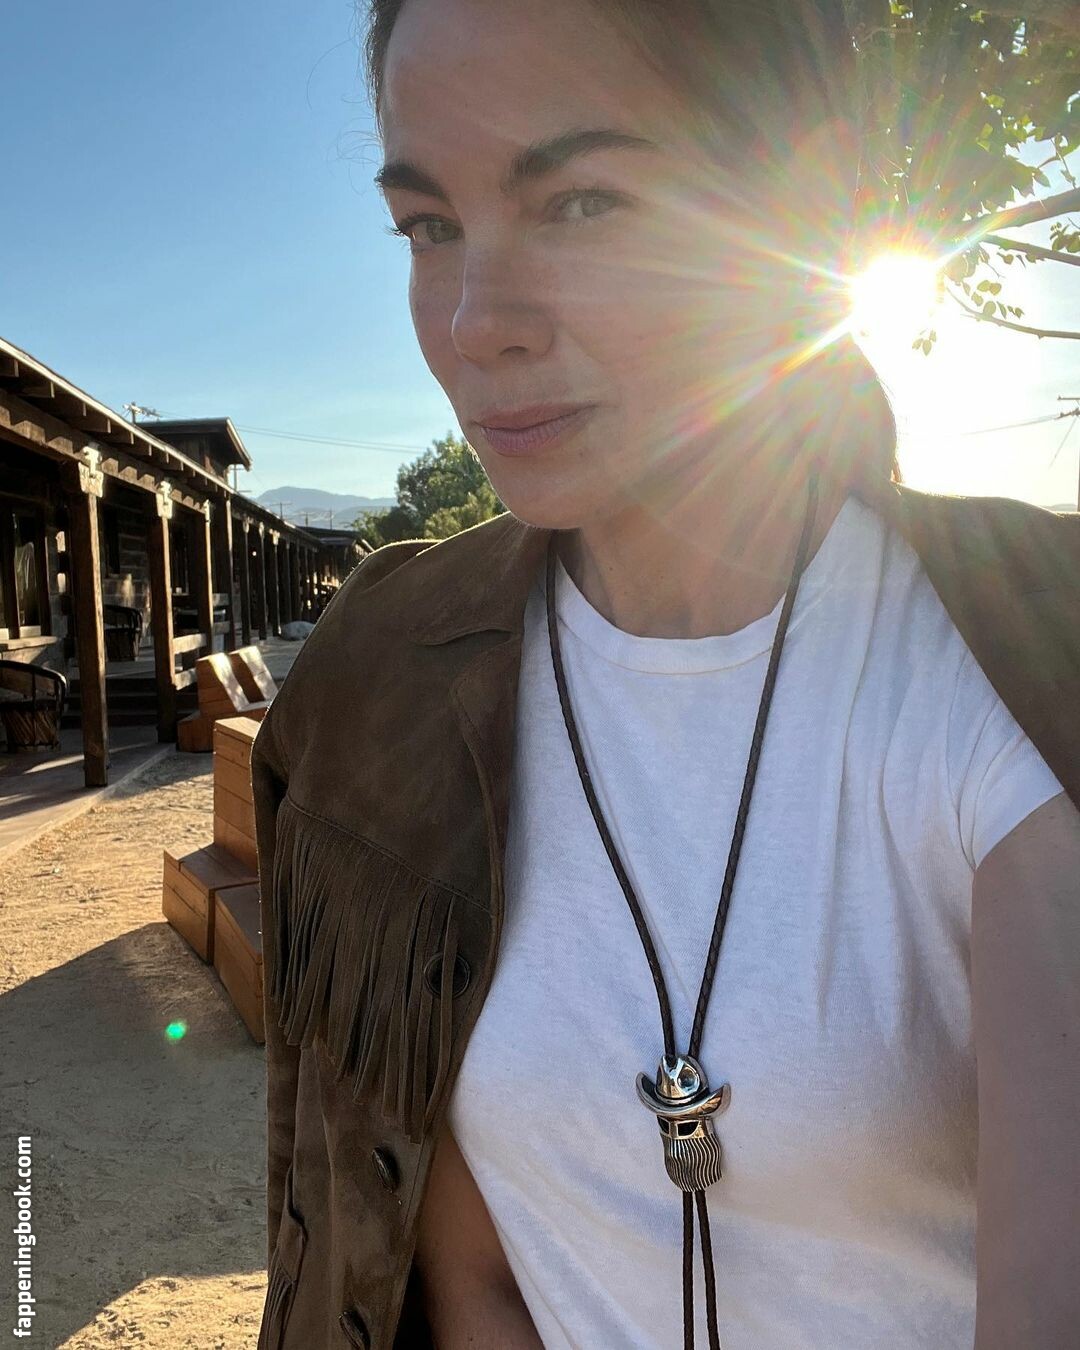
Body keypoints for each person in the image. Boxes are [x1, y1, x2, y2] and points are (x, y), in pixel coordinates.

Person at [251, 2, 1080, 1347]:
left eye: (580, 203)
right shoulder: (387, 681)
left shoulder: (1015, 674)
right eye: (429, 226)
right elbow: (464, 1282)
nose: (476, 320)